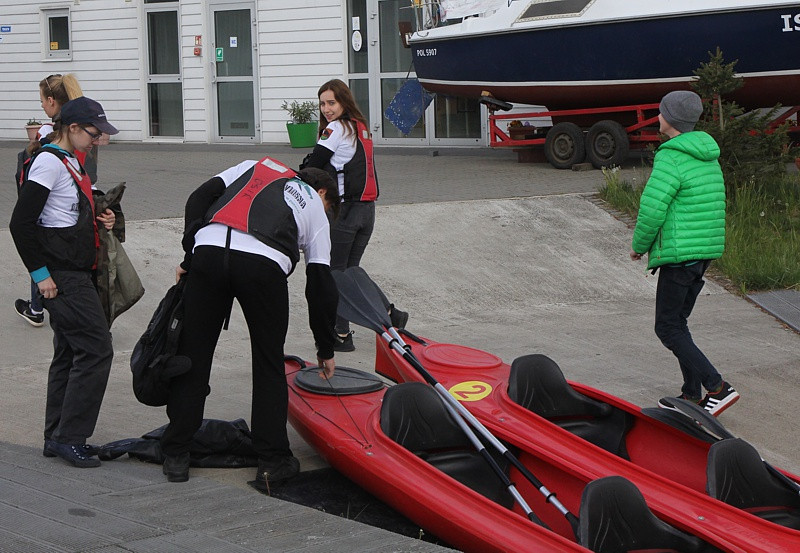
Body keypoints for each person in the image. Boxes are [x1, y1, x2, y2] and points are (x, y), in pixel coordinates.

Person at [159, 159, 340, 488]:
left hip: (209, 253)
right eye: (331, 208)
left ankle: (176, 456)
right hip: (262, 266)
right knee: (269, 361)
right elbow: (321, 285)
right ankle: (272, 462)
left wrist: (190, 255)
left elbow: (198, 198)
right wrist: (326, 347)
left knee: (193, 353)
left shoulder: (252, 166)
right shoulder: (314, 203)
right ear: (324, 193)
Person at [10, 96, 119, 467]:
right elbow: (20, 224)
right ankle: (70, 438)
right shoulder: (48, 163)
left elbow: (67, 209)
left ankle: (55, 436)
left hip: (74, 269)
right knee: (97, 349)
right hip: (61, 274)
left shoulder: (72, 160)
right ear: (71, 128)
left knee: (70, 352)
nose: (98, 139)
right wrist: (41, 277)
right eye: (94, 133)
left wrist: (102, 218)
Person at [630, 90, 739, 417]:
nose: (658, 117)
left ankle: (717, 387)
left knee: (667, 327)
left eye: (660, 112)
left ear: (670, 120)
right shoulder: (707, 154)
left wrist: (639, 247)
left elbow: (652, 209)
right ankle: (691, 395)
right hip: (702, 253)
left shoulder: (671, 156)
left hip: (680, 255)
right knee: (678, 322)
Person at [301, 78, 408, 352]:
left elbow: (314, 164)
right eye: (322, 103)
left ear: (343, 102)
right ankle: (387, 315)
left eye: (331, 103)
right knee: (350, 271)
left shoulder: (336, 129)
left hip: (344, 213)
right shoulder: (362, 128)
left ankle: (344, 334)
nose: (326, 109)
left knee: (335, 274)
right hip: (367, 212)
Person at [15, 74, 95, 327]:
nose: (95, 140)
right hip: (67, 248)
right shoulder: (64, 148)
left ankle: (37, 308)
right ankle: (40, 304)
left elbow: (21, 222)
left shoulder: (57, 142)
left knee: (89, 344)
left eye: (42, 100)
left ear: (51, 101)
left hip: (67, 244)